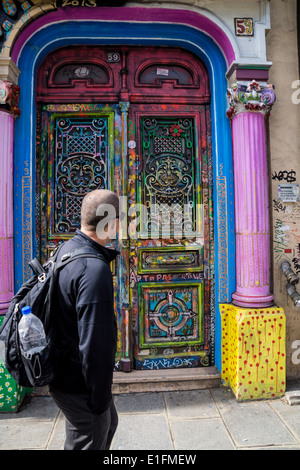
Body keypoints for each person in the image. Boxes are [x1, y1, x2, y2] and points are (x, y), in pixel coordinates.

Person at [49, 189, 120, 450]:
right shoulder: (93, 269)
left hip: (66, 373)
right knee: (92, 435)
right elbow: (95, 344)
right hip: (79, 383)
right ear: (111, 223)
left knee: (109, 423)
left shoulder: (66, 250)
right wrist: (99, 398)